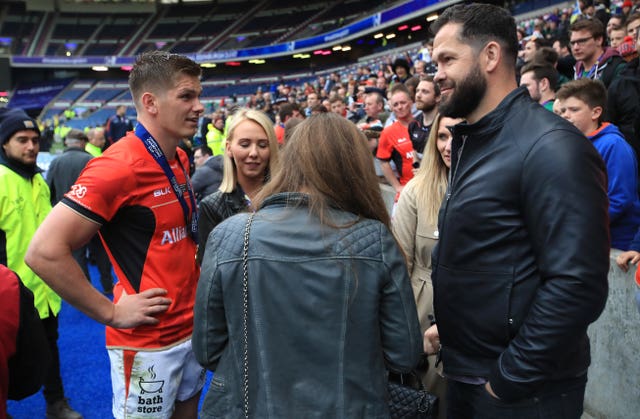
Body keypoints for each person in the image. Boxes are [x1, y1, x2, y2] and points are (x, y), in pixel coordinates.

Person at [423, 4, 609, 418]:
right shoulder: (476, 141)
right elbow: (494, 258)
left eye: (447, 59)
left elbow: (577, 285)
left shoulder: (552, 148)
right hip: (470, 373)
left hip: (521, 392)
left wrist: (507, 380)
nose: (436, 73)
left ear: (490, 56)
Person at [193, 113, 422, 418]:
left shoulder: (231, 235)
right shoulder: (375, 239)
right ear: (355, 167)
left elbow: (208, 348)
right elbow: (403, 354)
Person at [25, 51, 207, 419]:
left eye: (198, 96)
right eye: (187, 96)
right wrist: (109, 311)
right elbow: (43, 252)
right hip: (148, 343)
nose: (199, 107)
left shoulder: (181, 158)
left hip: (191, 327)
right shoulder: (116, 166)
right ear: (150, 103)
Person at [0, 110, 82, 419]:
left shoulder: (38, 180)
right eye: (22, 140)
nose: (31, 146)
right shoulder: (1, 180)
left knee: (49, 351)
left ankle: (56, 403)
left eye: (34, 140)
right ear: (5, 144)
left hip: (44, 291)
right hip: (8, 296)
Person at [392, 113, 462, 419]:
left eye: (458, 135)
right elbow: (399, 266)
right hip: (423, 313)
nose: (449, 145)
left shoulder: (498, 190)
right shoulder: (415, 192)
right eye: (443, 136)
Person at [556, 79, 640, 250]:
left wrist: (576, 226)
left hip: (614, 243)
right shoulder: (569, 143)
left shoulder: (613, 145)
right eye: (563, 110)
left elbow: (619, 200)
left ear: (596, 112)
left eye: (574, 109)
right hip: (581, 238)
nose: (565, 115)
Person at [197, 108, 279, 264]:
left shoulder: (287, 199)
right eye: (245, 144)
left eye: (262, 145)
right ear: (229, 148)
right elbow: (209, 273)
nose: (254, 153)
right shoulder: (212, 207)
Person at [376, 84, 416, 199]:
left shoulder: (423, 124)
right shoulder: (388, 133)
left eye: (403, 103)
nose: (399, 107)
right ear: (392, 108)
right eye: (396, 104)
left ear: (411, 102)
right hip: (409, 190)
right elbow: (383, 162)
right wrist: (397, 186)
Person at [570, 18, 627, 88]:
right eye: (572, 43)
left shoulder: (618, 68)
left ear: (599, 40)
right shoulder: (577, 71)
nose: (575, 47)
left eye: (582, 41)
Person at [408, 74, 441, 162]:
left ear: (437, 97)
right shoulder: (413, 124)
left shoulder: (444, 123)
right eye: (417, 91)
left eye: (425, 92)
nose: (418, 95)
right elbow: (414, 150)